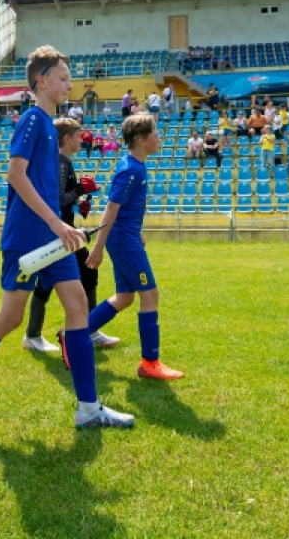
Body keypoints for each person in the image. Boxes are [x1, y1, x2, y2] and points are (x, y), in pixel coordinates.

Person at [0, 46, 134, 430]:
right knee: (9, 319)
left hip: (50, 239)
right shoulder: (32, 119)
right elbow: (16, 176)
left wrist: (60, 225)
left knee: (76, 307)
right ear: (42, 80)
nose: (70, 85)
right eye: (63, 78)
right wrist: (58, 225)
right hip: (26, 239)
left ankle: (88, 408)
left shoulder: (46, 125)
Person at [75, 113, 184, 381]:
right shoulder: (130, 170)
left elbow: (126, 209)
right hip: (122, 239)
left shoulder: (137, 165)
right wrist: (98, 247)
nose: (159, 138)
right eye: (156, 134)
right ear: (141, 140)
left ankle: (74, 334)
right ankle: (150, 362)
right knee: (150, 294)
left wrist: (138, 231)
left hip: (127, 236)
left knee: (125, 297)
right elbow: (112, 208)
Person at [22, 118, 119, 352]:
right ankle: (89, 330)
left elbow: (63, 200)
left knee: (48, 282)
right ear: (66, 138)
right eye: (77, 136)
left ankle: (33, 335)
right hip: (60, 235)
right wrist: (78, 191)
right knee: (87, 273)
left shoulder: (60, 161)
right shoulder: (61, 162)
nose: (81, 140)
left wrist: (78, 204)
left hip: (60, 231)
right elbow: (55, 200)